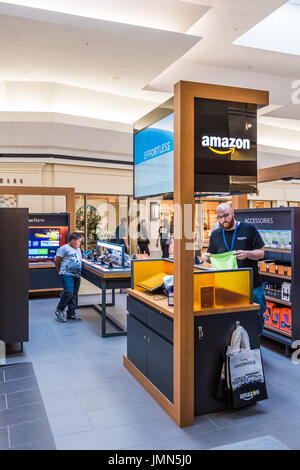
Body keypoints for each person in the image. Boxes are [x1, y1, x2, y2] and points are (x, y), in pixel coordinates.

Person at [202, 203, 266, 334]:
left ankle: (255, 347)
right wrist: (206, 257)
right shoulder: (215, 234)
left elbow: (261, 253)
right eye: (219, 217)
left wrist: (247, 253)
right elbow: (211, 256)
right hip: (226, 288)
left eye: (225, 216)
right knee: (230, 322)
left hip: (251, 285)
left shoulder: (248, 229)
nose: (223, 220)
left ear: (233, 213)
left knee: (255, 318)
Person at [54, 232, 83, 322]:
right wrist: (59, 270)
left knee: (74, 295)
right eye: (79, 241)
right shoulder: (64, 248)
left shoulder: (77, 249)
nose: (80, 243)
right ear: (73, 241)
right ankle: (59, 309)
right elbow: (57, 260)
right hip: (66, 273)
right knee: (68, 292)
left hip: (76, 274)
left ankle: (71, 313)